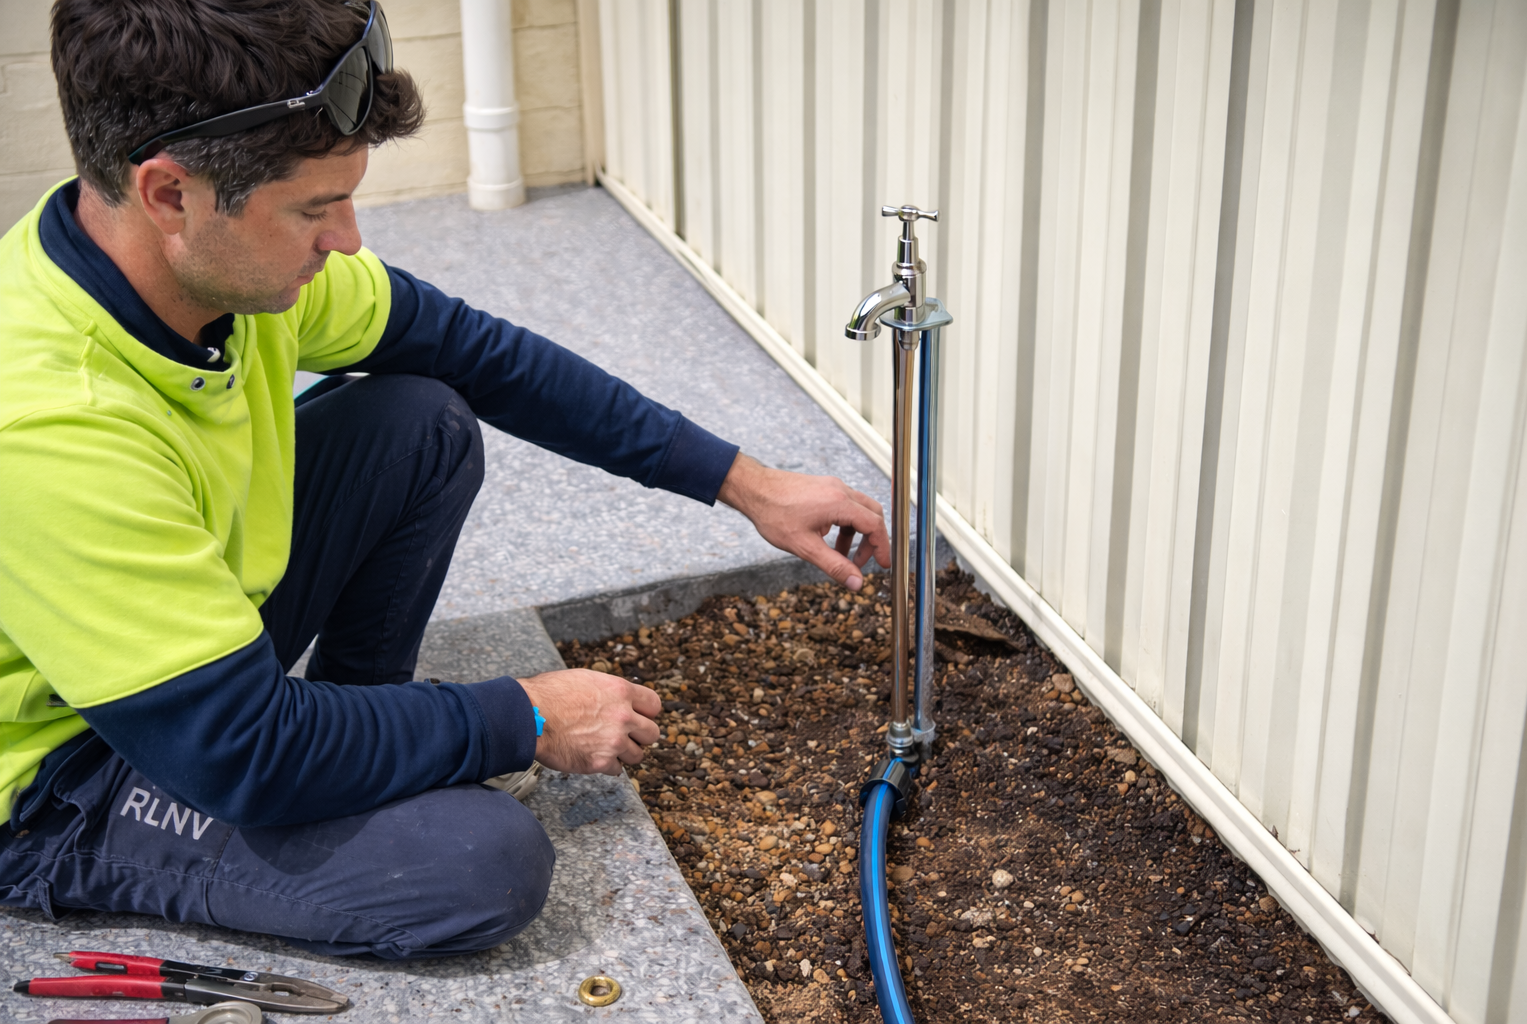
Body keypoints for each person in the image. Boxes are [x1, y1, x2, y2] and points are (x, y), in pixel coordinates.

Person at [0, 0, 890, 959]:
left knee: (420, 419)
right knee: (477, 863)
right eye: (312, 208)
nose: (346, 239)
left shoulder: (199, 265)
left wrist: (744, 482)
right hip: (66, 769)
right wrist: (524, 715)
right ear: (169, 193)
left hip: (183, 662)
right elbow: (238, 751)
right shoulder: (51, 425)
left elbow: (477, 353)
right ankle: (308, 764)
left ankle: (353, 735)